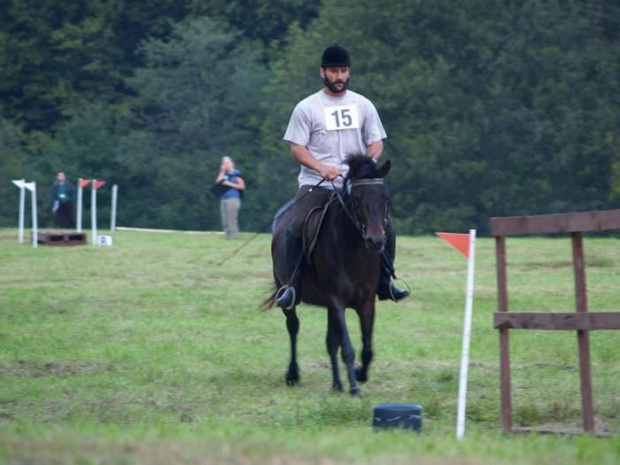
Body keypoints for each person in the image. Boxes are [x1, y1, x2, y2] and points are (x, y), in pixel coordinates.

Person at [277, 43, 410, 309]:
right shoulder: (307, 107)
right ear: (322, 72)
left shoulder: (363, 105)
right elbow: (296, 149)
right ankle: (292, 286)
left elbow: (376, 143)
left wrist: (366, 165)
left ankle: (385, 281)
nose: (339, 77)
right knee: (296, 224)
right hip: (317, 184)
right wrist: (320, 167)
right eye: (334, 71)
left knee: (387, 226)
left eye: (343, 71)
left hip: (356, 185)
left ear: (349, 73)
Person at [216, 156, 245, 239]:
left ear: (231, 163)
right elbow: (217, 183)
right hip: (224, 198)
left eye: (227, 163)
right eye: (223, 163)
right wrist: (222, 171)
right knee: (225, 220)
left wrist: (229, 184)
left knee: (232, 219)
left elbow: (242, 186)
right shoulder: (224, 174)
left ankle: (233, 236)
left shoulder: (237, 173)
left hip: (233, 198)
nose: (225, 165)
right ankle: (227, 235)